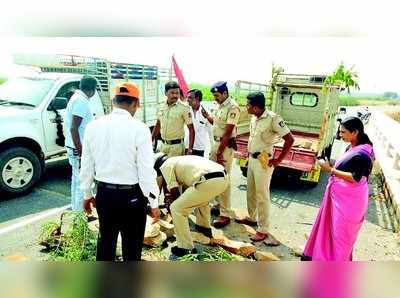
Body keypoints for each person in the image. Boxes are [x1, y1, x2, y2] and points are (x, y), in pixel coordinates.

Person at [80, 82, 160, 261]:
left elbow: (86, 164)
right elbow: (146, 172)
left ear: (113, 101)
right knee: (132, 247)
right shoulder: (140, 129)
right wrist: (154, 203)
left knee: (106, 242)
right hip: (131, 197)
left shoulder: (93, 127)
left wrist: (86, 194)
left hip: (104, 195)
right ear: (136, 104)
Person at [302, 116, 374, 261]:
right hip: (340, 199)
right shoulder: (352, 147)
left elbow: (355, 177)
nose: (340, 135)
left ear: (355, 132)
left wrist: (330, 169)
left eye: (343, 132)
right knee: (330, 232)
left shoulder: (362, 154)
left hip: (350, 203)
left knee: (340, 237)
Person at [235, 92, 294, 243]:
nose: (246, 107)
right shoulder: (254, 117)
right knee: (251, 191)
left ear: (255, 107)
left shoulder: (273, 119)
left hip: (264, 161)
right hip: (252, 159)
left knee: (262, 195)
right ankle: (252, 217)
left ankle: (263, 229)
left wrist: (278, 160)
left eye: (248, 105)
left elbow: (289, 139)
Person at [154, 153, 229, 257]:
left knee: (176, 208)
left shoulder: (165, 166)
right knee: (201, 199)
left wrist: (173, 211)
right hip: (223, 178)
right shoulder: (179, 160)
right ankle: (204, 229)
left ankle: (186, 248)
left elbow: (175, 193)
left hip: (209, 181)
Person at [201, 81, 240, 228]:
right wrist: (207, 116)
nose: (215, 98)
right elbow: (217, 124)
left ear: (225, 93)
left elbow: (228, 132)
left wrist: (219, 152)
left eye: (217, 95)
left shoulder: (233, 107)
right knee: (216, 178)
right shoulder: (220, 106)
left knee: (224, 179)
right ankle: (218, 205)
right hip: (217, 144)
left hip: (224, 146)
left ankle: (225, 214)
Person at [64, 76, 97, 212]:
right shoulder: (81, 101)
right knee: (81, 184)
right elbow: (74, 128)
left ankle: (75, 212)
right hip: (78, 148)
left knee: (76, 181)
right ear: (93, 90)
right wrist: (82, 151)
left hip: (74, 146)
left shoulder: (77, 98)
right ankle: (79, 218)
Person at [152, 81, 195, 156]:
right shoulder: (161, 106)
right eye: (172, 93)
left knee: (174, 168)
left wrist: (190, 149)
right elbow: (158, 124)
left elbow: (191, 129)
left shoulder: (184, 108)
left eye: (177, 93)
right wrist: (150, 141)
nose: (175, 95)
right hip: (163, 146)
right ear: (165, 93)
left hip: (176, 148)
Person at [184, 89, 213, 157]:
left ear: (197, 98)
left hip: (199, 148)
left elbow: (210, 132)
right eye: (187, 97)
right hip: (186, 146)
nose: (187, 100)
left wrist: (212, 148)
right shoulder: (186, 110)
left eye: (190, 98)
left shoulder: (206, 112)